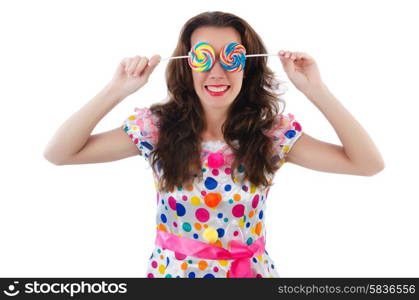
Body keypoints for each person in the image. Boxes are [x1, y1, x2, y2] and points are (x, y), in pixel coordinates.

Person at [44, 11, 385, 278]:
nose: (217, 71)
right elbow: (59, 154)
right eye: (204, 57)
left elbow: (368, 164)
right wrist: (116, 90)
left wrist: (315, 90)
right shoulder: (157, 130)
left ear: (247, 66)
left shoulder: (270, 136)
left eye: (231, 57)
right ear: (188, 65)